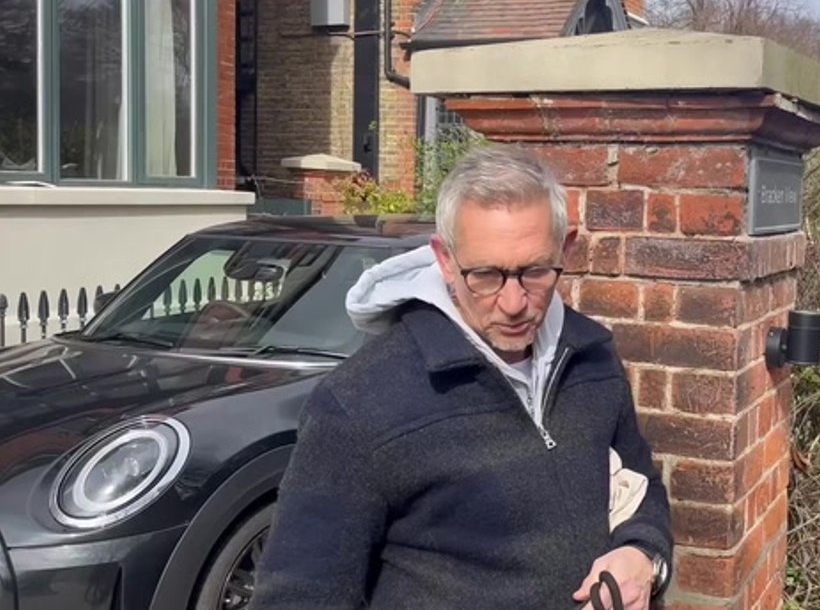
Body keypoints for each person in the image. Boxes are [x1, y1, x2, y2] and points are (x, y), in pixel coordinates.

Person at [248, 145, 672, 610]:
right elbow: (299, 596)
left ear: (566, 248)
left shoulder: (592, 357)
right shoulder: (358, 403)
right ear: (445, 259)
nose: (513, 303)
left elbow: (641, 484)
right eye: (486, 275)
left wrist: (643, 553)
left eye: (534, 271)